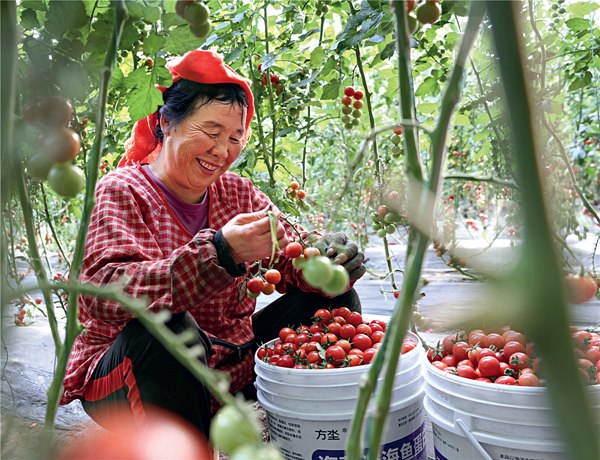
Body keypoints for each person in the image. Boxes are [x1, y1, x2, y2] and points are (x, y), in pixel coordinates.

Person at [60, 49, 366, 438]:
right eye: (211, 132)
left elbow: (292, 254)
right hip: (132, 368)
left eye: (235, 137)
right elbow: (103, 294)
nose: (222, 151)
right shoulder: (122, 190)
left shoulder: (238, 194)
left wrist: (327, 259)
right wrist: (220, 253)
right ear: (166, 123)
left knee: (333, 303)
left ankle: (317, 434)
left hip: (229, 363)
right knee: (165, 330)